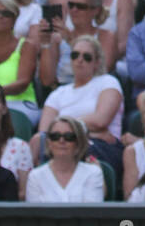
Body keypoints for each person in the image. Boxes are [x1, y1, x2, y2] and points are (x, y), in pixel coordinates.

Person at [37, 34, 124, 175]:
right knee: (39, 142)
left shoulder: (108, 82)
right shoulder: (58, 93)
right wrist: (84, 130)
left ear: (96, 62)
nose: (80, 60)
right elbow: (45, 131)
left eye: (87, 57)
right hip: (64, 144)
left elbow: (101, 121)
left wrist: (64, 128)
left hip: (101, 147)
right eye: (75, 55)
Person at [24, 114, 106, 203]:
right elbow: (34, 215)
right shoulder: (35, 176)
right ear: (49, 142)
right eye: (55, 136)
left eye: (68, 137)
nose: (61, 141)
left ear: (78, 142)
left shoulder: (93, 173)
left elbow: (92, 214)